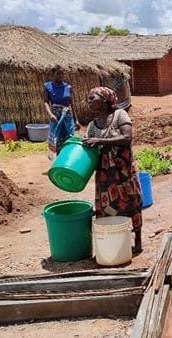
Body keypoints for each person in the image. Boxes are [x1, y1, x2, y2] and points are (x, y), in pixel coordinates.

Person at [83, 87, 144, 253]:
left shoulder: (120, 115)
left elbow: (127, 137)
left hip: (123, 170)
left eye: (91, 98)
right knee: (107, 206)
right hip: (104, 174)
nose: (88, 102)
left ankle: (137, 240)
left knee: (131, 202)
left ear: (104, 100)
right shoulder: (92, 126)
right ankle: (113, 241)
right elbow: (89, 148)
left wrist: (100, 140)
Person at [43, 66, 79, 159]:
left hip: (68, 116)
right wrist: (50, 114)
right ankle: (60, 160)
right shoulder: (47, 86)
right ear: (53, 74)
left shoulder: (68, 87)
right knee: (57, 139)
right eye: (58, 73)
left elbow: (71, 104)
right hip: (56, 117)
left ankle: (68, 160)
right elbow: (46, 102)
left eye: (62, 74)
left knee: (69, 137)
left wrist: (76, 120)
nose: (61, 75)